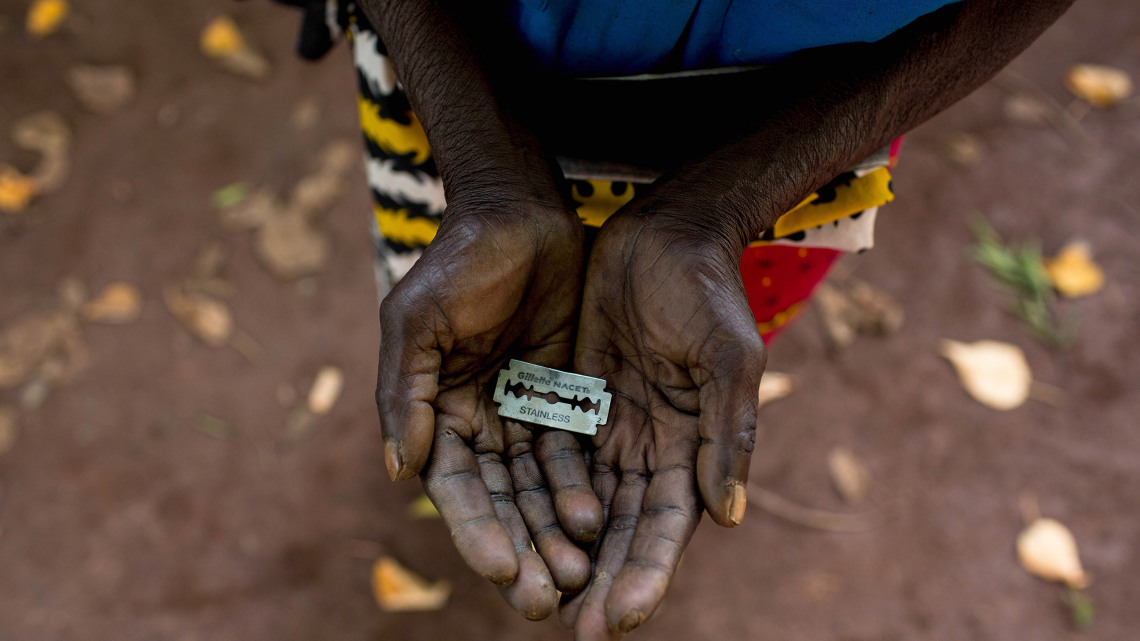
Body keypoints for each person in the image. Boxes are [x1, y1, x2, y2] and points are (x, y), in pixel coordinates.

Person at [278, 1, 1073, 637]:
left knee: (712, 341)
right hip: (456, 91)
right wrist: (486, 173)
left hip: (799, 149)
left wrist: (716, 211)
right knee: (454, 302)